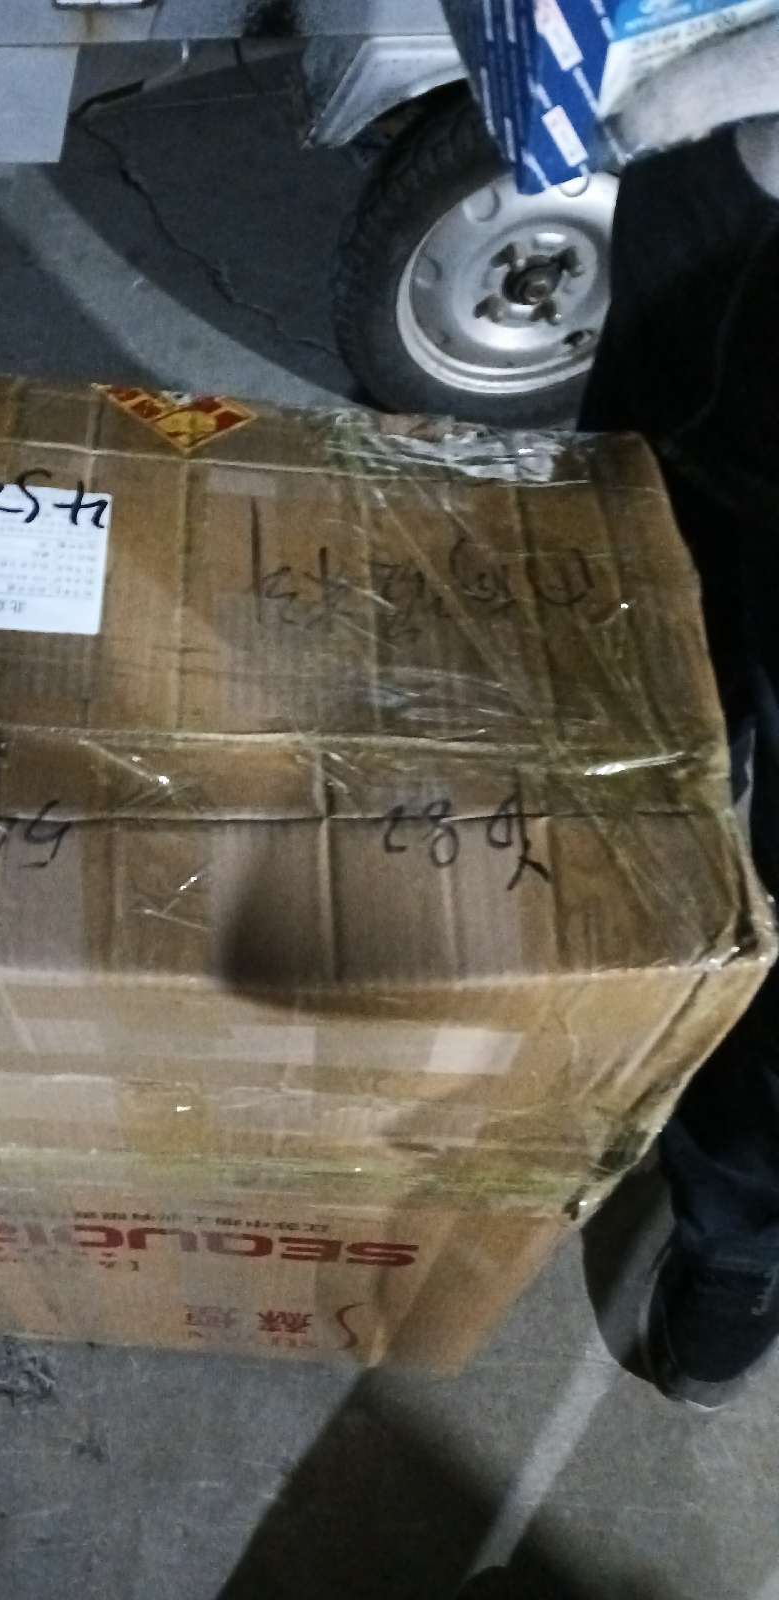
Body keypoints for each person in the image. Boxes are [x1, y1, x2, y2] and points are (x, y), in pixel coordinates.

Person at [579, 103, 779, 1408]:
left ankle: (739, 1238)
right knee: (628, 706)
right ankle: (590, 1050)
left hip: (722, 166)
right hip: (716, 201)